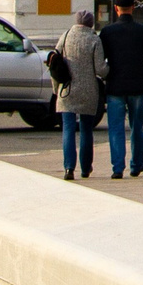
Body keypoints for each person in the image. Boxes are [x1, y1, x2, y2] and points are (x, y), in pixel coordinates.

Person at [95, 0, 143, 180]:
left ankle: (117, 168)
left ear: (116, 8)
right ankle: (136, 165)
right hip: (137, 85)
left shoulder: (107, 32)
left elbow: (101, 59)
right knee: (137, 127)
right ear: (133, 7)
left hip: (115, 86)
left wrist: (108, 74)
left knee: (116, 128)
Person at [49, 10, 103, 180]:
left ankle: (69, 168)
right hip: (88, 91)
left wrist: (55, 89)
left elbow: (54, 64)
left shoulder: (65, 37)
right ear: (91, 23)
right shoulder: (94, 39)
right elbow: (100, 68)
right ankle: (86, 168)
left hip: (67, 90)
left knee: (68, 129)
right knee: (87, 129)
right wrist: (110, 73)